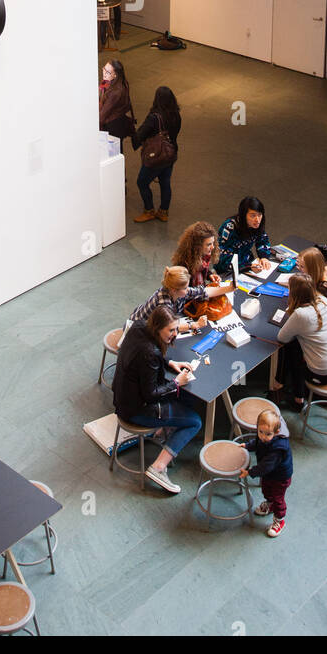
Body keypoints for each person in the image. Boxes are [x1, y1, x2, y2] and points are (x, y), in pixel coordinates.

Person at [112, 304, 204, 494]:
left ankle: (164, 431)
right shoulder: (150, 353)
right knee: (195, 421)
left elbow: (149, 350)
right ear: (157, 328)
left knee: (188, 401)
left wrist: (170, 362)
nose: (175, 333)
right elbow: (151, 394)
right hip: (137, 410)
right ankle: (158, 468)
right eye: (171, 330)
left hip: (123, 399)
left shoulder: (138, 327)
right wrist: (177, 383)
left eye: (176, 328)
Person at [276, 274, 327, 410]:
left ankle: (297, 398)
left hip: (322, 374)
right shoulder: (324, 300)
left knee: (291, 347)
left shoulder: (301, 314)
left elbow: (282, 338)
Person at [128, 265, 234, 335]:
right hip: (139, 332)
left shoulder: (178, 291)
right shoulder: (164, 305)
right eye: (185, 288)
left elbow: (203, 292)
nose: (188, 290)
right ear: (175, 290)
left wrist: (229, 288)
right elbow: (169, 327)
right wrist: (194, 325)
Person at [239, 408, 293, 538]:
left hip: (280, 477)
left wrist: (249, 472)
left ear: (276, 432)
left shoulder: (279, 447)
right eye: (260, 431)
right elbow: (257, 443)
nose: (263, 436)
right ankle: (269, 504)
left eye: (268, 434)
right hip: (270, 474)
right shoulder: (263, 438)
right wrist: (247, 446)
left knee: (278, 498)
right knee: (266, 490)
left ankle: (279, 520)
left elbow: (266, 466)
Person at [132, 86, 181, 223]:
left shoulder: (154, 117)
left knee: (141, 182)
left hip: (156, 156)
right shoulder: (176, 114)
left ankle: (149, 211)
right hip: (170, 154)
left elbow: (141, 134)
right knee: (165, 182)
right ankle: (163, 212)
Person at [217, 197, 274, 277]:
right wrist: (248, 266)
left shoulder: (256, 225)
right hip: (227, 270)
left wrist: (264, 257)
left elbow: (262, 241)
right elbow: (222, 258)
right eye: (252, 216)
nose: (257, 220)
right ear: (243, 215)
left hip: (247, 263)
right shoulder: (229, 228)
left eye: (259, 215)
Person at [98, 58, 135, 153]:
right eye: (104, 69)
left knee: (114, 155)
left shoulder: (116, 92)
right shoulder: (108, 81)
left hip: (113, 127)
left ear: (115, 75)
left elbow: (103, 115)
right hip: (115, 122)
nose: (104, 73)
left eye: (108, 72)